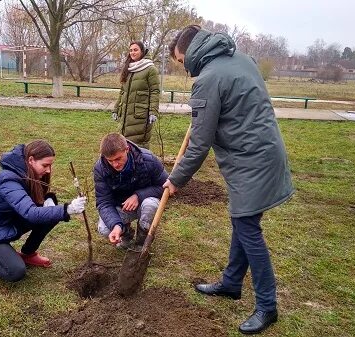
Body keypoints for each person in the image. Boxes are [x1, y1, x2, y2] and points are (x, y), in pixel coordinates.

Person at [164, 25, 294, 335]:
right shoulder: (242, 59)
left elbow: (199, 143)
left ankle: (267, 306)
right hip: (265, 152)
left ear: (190, 52)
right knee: (242, 220)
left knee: (248, 229)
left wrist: (176, 179)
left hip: (250, 162)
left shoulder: (208, 79)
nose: (183, 69)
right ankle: (232, 283)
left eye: (180, 61)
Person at [0, 140, 87, 282]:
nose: (49, 170)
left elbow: (31, 205)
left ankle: (28, 253)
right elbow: (30, 212)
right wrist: (68, 209)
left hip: (8, 222)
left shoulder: (29, 174)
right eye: (45, 165)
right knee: (16, 271)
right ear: (31, 160)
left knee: (51, 213)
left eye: (51, 165)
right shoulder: (8, 180)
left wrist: (49, 202)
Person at [93, 133, 167, 249]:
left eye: (118, 158)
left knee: (150, 205)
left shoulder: (148, 160)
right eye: (110, 161)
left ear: (126, 149)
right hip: (121, 207)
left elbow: (165, 187)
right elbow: (104, 202)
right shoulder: (101, 169)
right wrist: (116, 225)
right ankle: (126, 233)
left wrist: (138, 196)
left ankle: (141, 243)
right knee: (105, 229)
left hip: (144, 203)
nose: (115, 164)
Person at [112, 41, 160, 149]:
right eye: (130, 50)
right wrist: (116, 109)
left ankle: (141, 166)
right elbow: (122, 91)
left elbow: (155, 91)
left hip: (140, 116)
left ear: (142, 51)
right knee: (125, 146)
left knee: (139, 146)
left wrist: (153, 111)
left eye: (135, 50)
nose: (132, 52)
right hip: (125, 115)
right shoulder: (128, 69)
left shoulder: (150, 69)